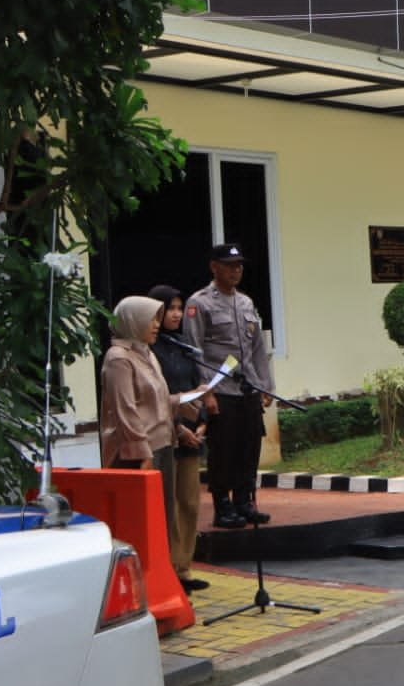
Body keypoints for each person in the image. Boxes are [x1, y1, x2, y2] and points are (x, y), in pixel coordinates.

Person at [184, 243, 276, 529]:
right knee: (224, 450)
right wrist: (205, 391)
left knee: (249, 445)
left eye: (239, 265)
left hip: (246, 387)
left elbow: (257, 348)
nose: (236, 270)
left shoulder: (246, 303)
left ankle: (244, 501)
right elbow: (193, 349)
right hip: (220, 389)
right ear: (214, 267)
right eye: (229, 265)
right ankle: (222, 506)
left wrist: (265, 385)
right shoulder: (199, 303)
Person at [100, 297, 204, 551]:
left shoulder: (147, 354)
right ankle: (139, 581)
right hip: (136, 452)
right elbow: (126, 410)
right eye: (151, 319)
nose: (156, 325)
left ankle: (162, 578)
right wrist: (142, 454)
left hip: (163, 445)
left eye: (158, 319)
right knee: (139, 522)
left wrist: (192, 396)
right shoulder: (118, 358)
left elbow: (159, 401)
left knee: (162, 518)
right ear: (133, 321)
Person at [149, 284, 214, 593]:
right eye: (169, 308)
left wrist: (201, 425)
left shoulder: (184, 346)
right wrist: (179, 428)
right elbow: (155, 398)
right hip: (167, 437)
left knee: (189, 502)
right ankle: (169, 568)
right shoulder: (150, 351)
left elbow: (196, 387)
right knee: (169, 505)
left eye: (178, 308)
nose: (175, 314)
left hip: (191, 437)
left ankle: (185, 567)